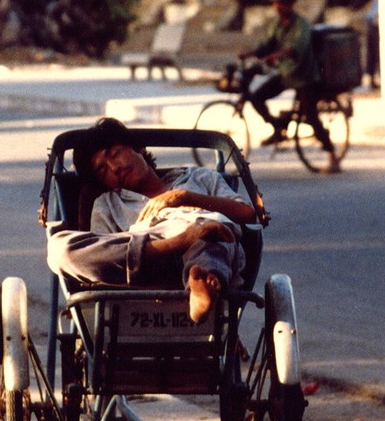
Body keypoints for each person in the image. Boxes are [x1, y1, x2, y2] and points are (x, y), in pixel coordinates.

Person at [46, 118, 257, 324]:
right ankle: (185, 243)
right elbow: (106, 257)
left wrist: (186, 197)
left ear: (139, 148)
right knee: (58, 249)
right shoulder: (108, 203)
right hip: (148, 262)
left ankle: (202, 289)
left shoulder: (199, 177)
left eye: (115, 153)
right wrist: (178, 240)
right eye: (103, 169)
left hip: (205, 245)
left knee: (212, 229)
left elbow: (247, 213)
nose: (114, 167)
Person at [238, 0, 341, 173]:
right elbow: (267, 45)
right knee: (257, 96)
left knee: (311, 116)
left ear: (290, 5)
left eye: (282, 3)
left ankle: (332, 154)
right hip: (286, 74)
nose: (278, 7)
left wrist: (277, 55)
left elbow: (298, 47)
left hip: (305, 77)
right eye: (276, 4)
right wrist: (250, 53)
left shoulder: (301, 24)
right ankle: (278, 127)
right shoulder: (277, 25)